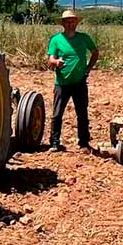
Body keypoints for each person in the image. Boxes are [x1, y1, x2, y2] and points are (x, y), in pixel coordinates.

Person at [46, 9, 99, 152]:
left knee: (82, 113)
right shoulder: (56, 39)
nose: (71, 23)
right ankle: (55, 143)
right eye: (68, 21)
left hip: (79, 82)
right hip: (62, 83)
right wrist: (56, 62)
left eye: (73, 21)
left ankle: (84, 143)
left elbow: (95, 52)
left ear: (77, 22)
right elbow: (50, 59)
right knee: (57, 114)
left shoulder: (84, 38)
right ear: (63, 23)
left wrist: (88, 69)